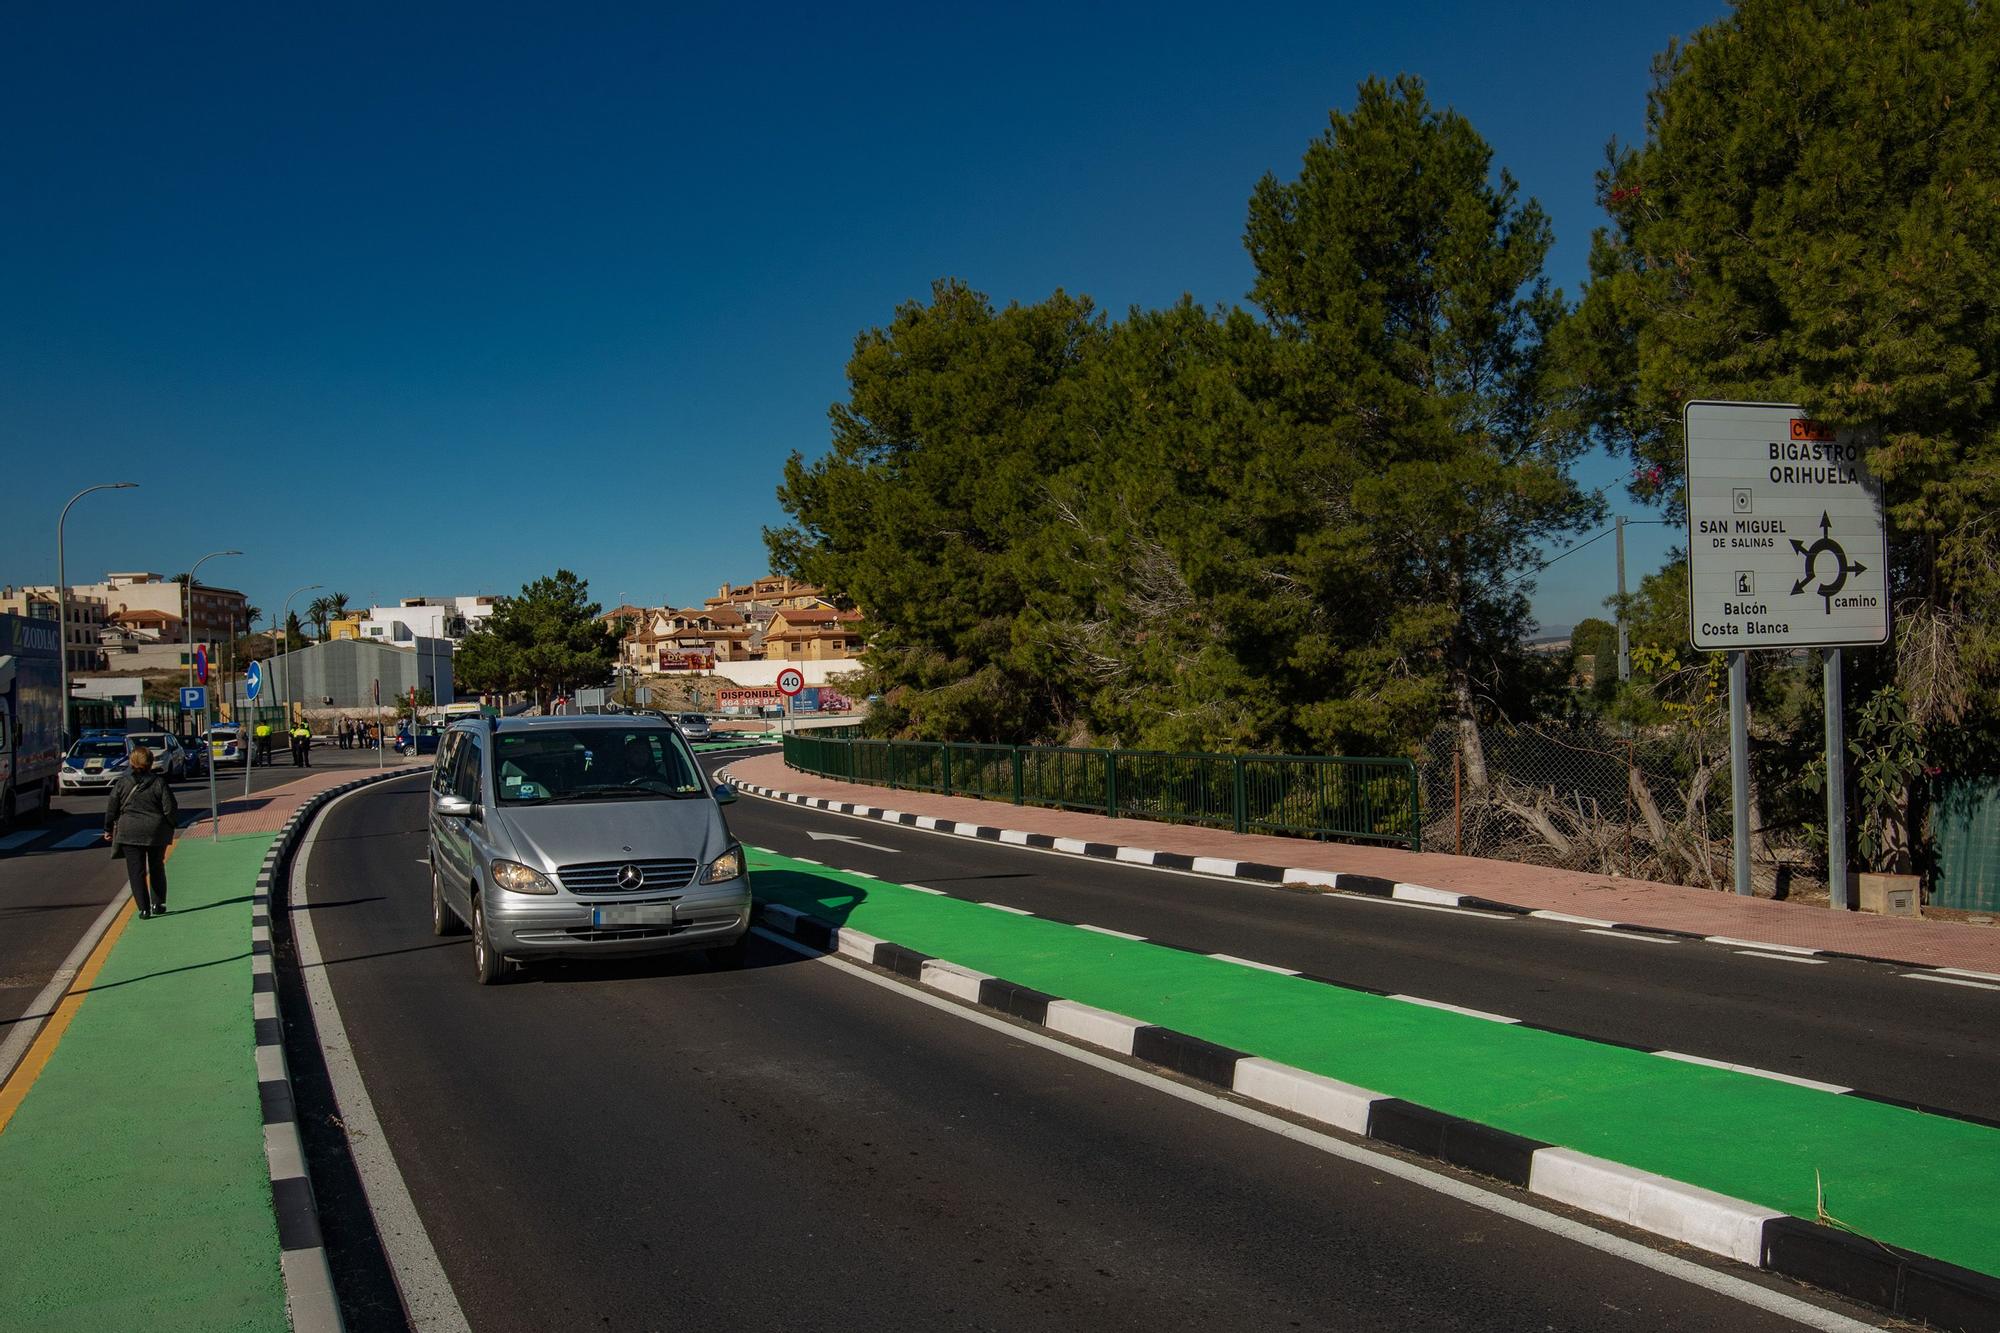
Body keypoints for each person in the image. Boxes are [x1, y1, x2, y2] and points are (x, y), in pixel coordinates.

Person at [103, 745, 177, 918]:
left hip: (129, 831)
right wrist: (171, 824)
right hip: (155, 831)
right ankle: (158, 903)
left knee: (136, 871)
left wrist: (108, 829)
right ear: (150, 762)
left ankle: (143, 908)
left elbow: (111, 808)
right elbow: (170, 807)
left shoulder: (122, 783)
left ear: (132, 762)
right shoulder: (159, 782)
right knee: (157, 867)